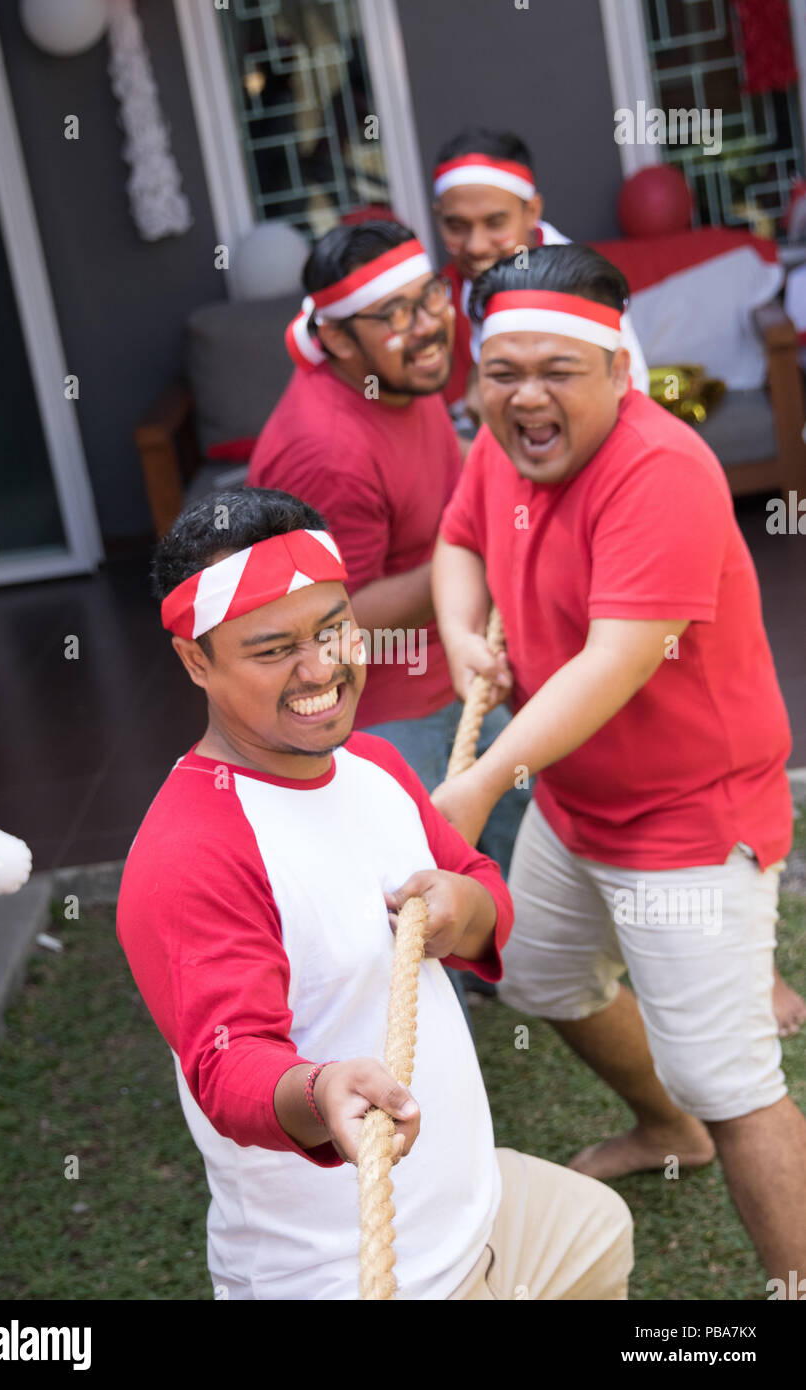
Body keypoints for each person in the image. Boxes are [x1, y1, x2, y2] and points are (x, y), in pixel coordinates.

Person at [115, 487, 634, 1301]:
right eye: (272, 649)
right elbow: (229, 1063)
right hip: (353, 1273)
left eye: (333, 629)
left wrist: (467, 910)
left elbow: (483, 889)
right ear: (195, 662)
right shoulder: (190, 853)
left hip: (479, 1211)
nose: (321, 669)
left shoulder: (378, 768)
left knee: (598, 1226)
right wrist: (321, 1091)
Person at [431, 242, 806, 1281]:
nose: (525, 397)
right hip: (574, 803)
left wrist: (473, 783)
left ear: (617, 370)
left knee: (730, 1082)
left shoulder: (659, 469)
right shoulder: (502, 441)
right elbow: (459, 539)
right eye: (503, 373)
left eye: (557, 370)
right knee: (540, 975)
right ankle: (664, 1128)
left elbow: (616, 662)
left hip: (687, 815)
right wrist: (466, 632)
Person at [247, 219, 527, 885]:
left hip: (453, 666)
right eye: (394, 313)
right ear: (338, 338)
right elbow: (337, 617)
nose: (428, 324)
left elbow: (438, 469)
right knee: (420, 916)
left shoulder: (400, 376)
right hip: (383, 715)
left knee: (534, 867)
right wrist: (483, 550)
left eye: (430, 296)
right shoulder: (330, 451)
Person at [431, 126, 649, 431]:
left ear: (532, 210)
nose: (475, 245)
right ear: (437, 216)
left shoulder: (577, 282)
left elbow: (632, 389)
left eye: (495, 223)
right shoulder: (471, 278)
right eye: (456, 225)